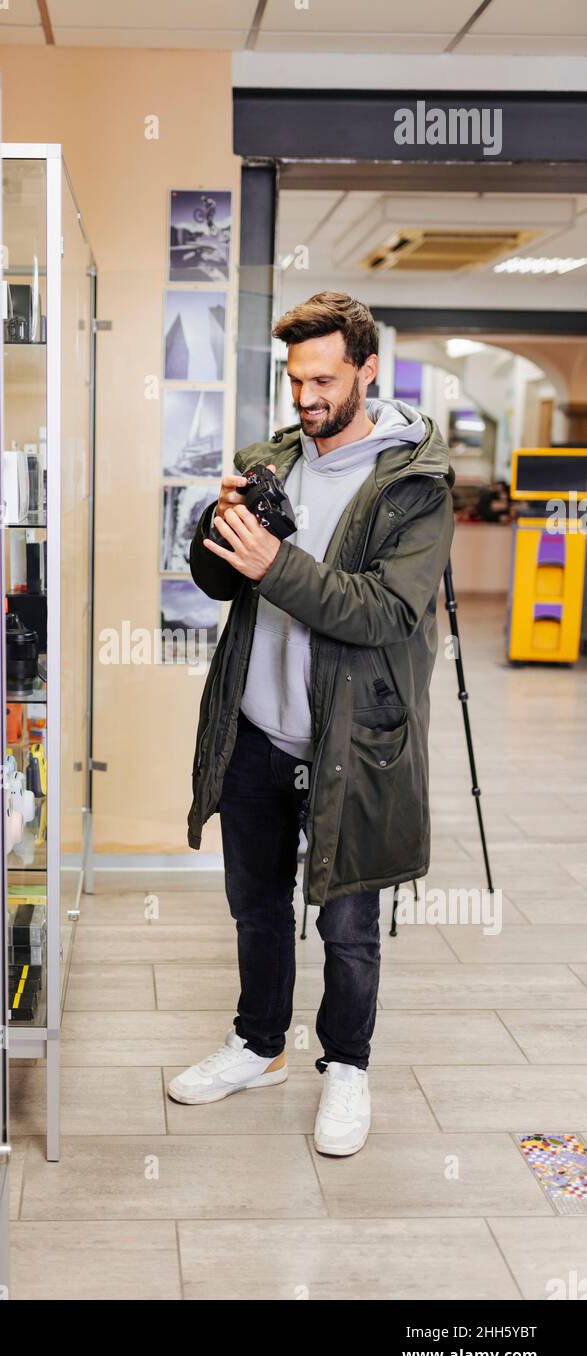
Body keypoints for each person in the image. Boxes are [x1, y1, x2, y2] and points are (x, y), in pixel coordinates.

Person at [176, 291, 455, 1156]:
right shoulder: (272, 458)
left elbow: (382, 613)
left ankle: (345, 1067)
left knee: (346, 926)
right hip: (254, 729)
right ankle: (258, 1046)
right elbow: (222, 585)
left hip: (352, 742)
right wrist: (213, 531)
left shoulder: (416, 483)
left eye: (324, 379)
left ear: (367, 371)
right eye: (295, 378)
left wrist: (277, 561)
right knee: (256, 909)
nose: (305, 397)